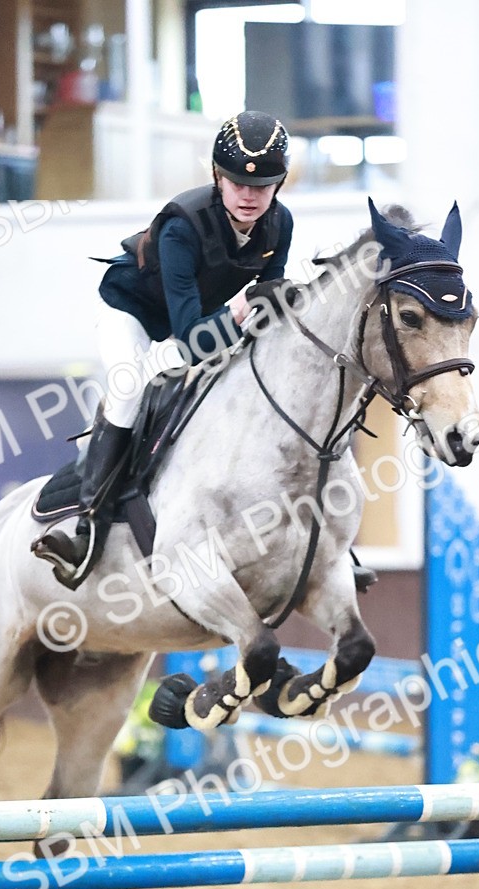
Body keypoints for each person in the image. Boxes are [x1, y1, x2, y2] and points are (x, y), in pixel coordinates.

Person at [33, 109, 293, 586]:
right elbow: (191, 338)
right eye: (237, 183)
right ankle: (87, 525)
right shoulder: (183, 227)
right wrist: (240, 312)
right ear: (217, 177)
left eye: (263, 184)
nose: (250, 195)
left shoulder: (281, 225)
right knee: (130, 388)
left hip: (195, 325)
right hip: (132, 314)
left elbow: (269, 304)